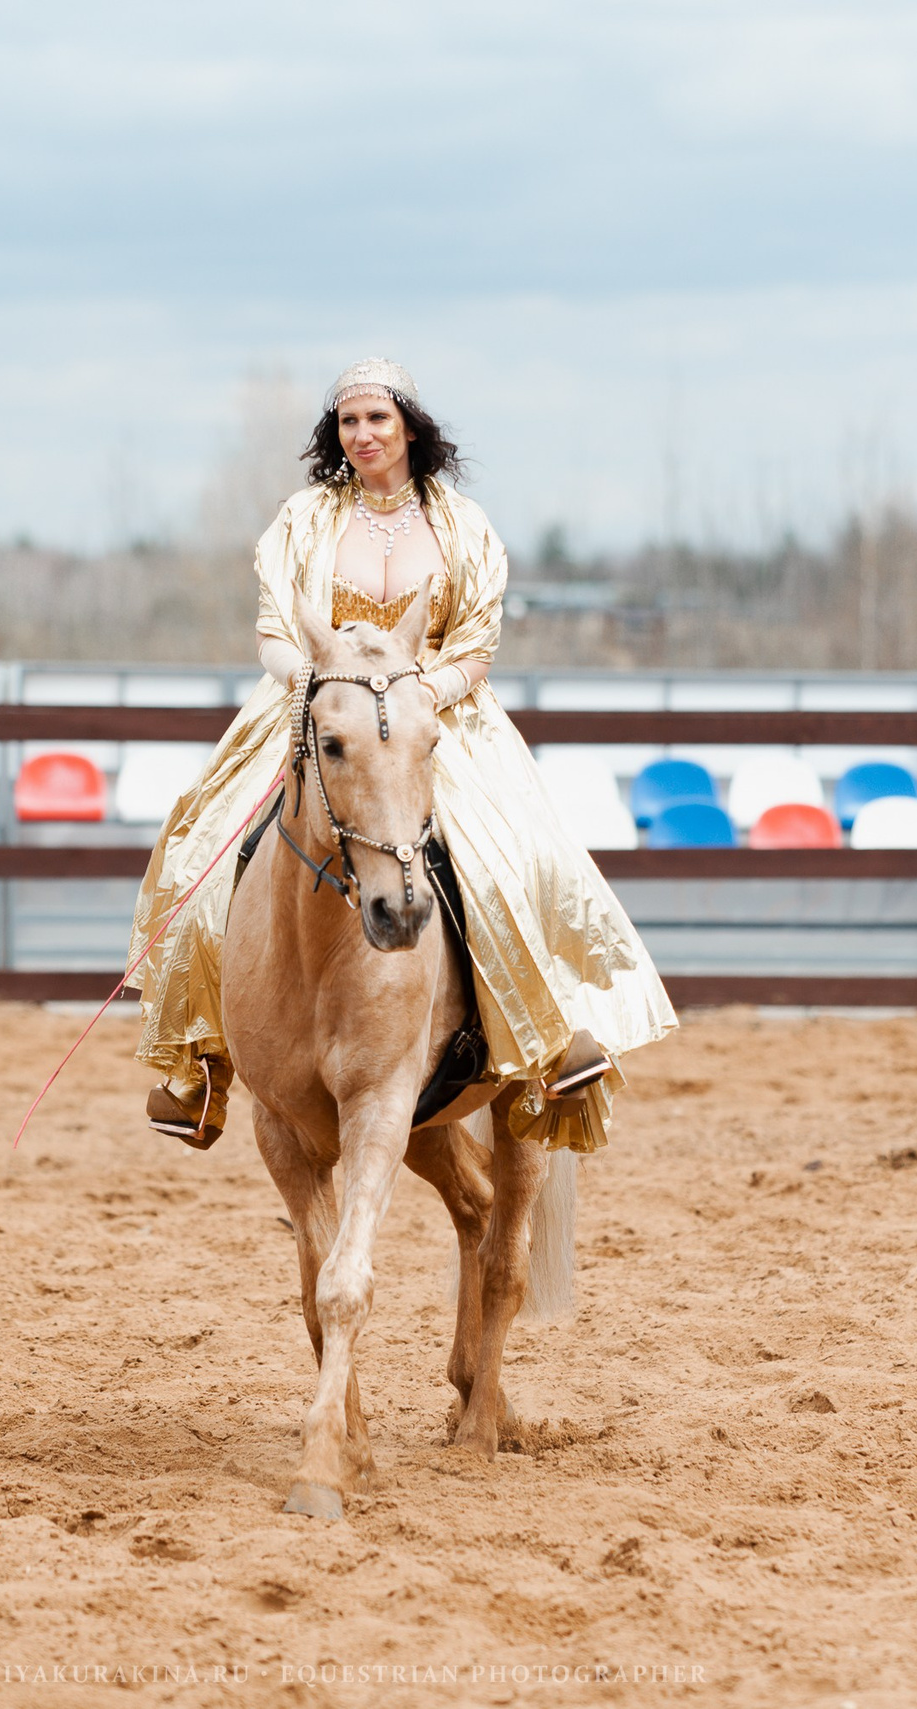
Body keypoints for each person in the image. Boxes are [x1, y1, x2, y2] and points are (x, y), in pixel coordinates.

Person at [127, 358, 676, 1154]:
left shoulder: (463, 525)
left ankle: (549, 1038)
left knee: (521, 856)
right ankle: (201, 1063)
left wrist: (415, 695)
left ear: (409, 427)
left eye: (377, 419)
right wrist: (321, 686)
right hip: (319, 712)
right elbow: (274, 634)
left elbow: (476, 648)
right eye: (349, 422)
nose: (363, 434)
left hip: (436, 716)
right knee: (198, 849)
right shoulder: (304, 518)